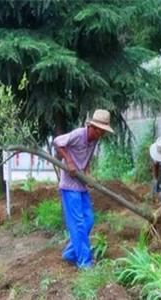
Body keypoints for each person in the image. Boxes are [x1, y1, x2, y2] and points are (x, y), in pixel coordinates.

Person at [53, 109, 114, 269]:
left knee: (89, 220)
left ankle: (70, 253)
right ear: (93, 127)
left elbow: (86, 161)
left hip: (80, 185)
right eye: (101, 131)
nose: (103, 134)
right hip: (69, 185)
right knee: (78, 223)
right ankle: (84, 262)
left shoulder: (94, 140)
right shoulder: (78, 134)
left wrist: (88, 176)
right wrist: (69, 162)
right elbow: (58, 142)